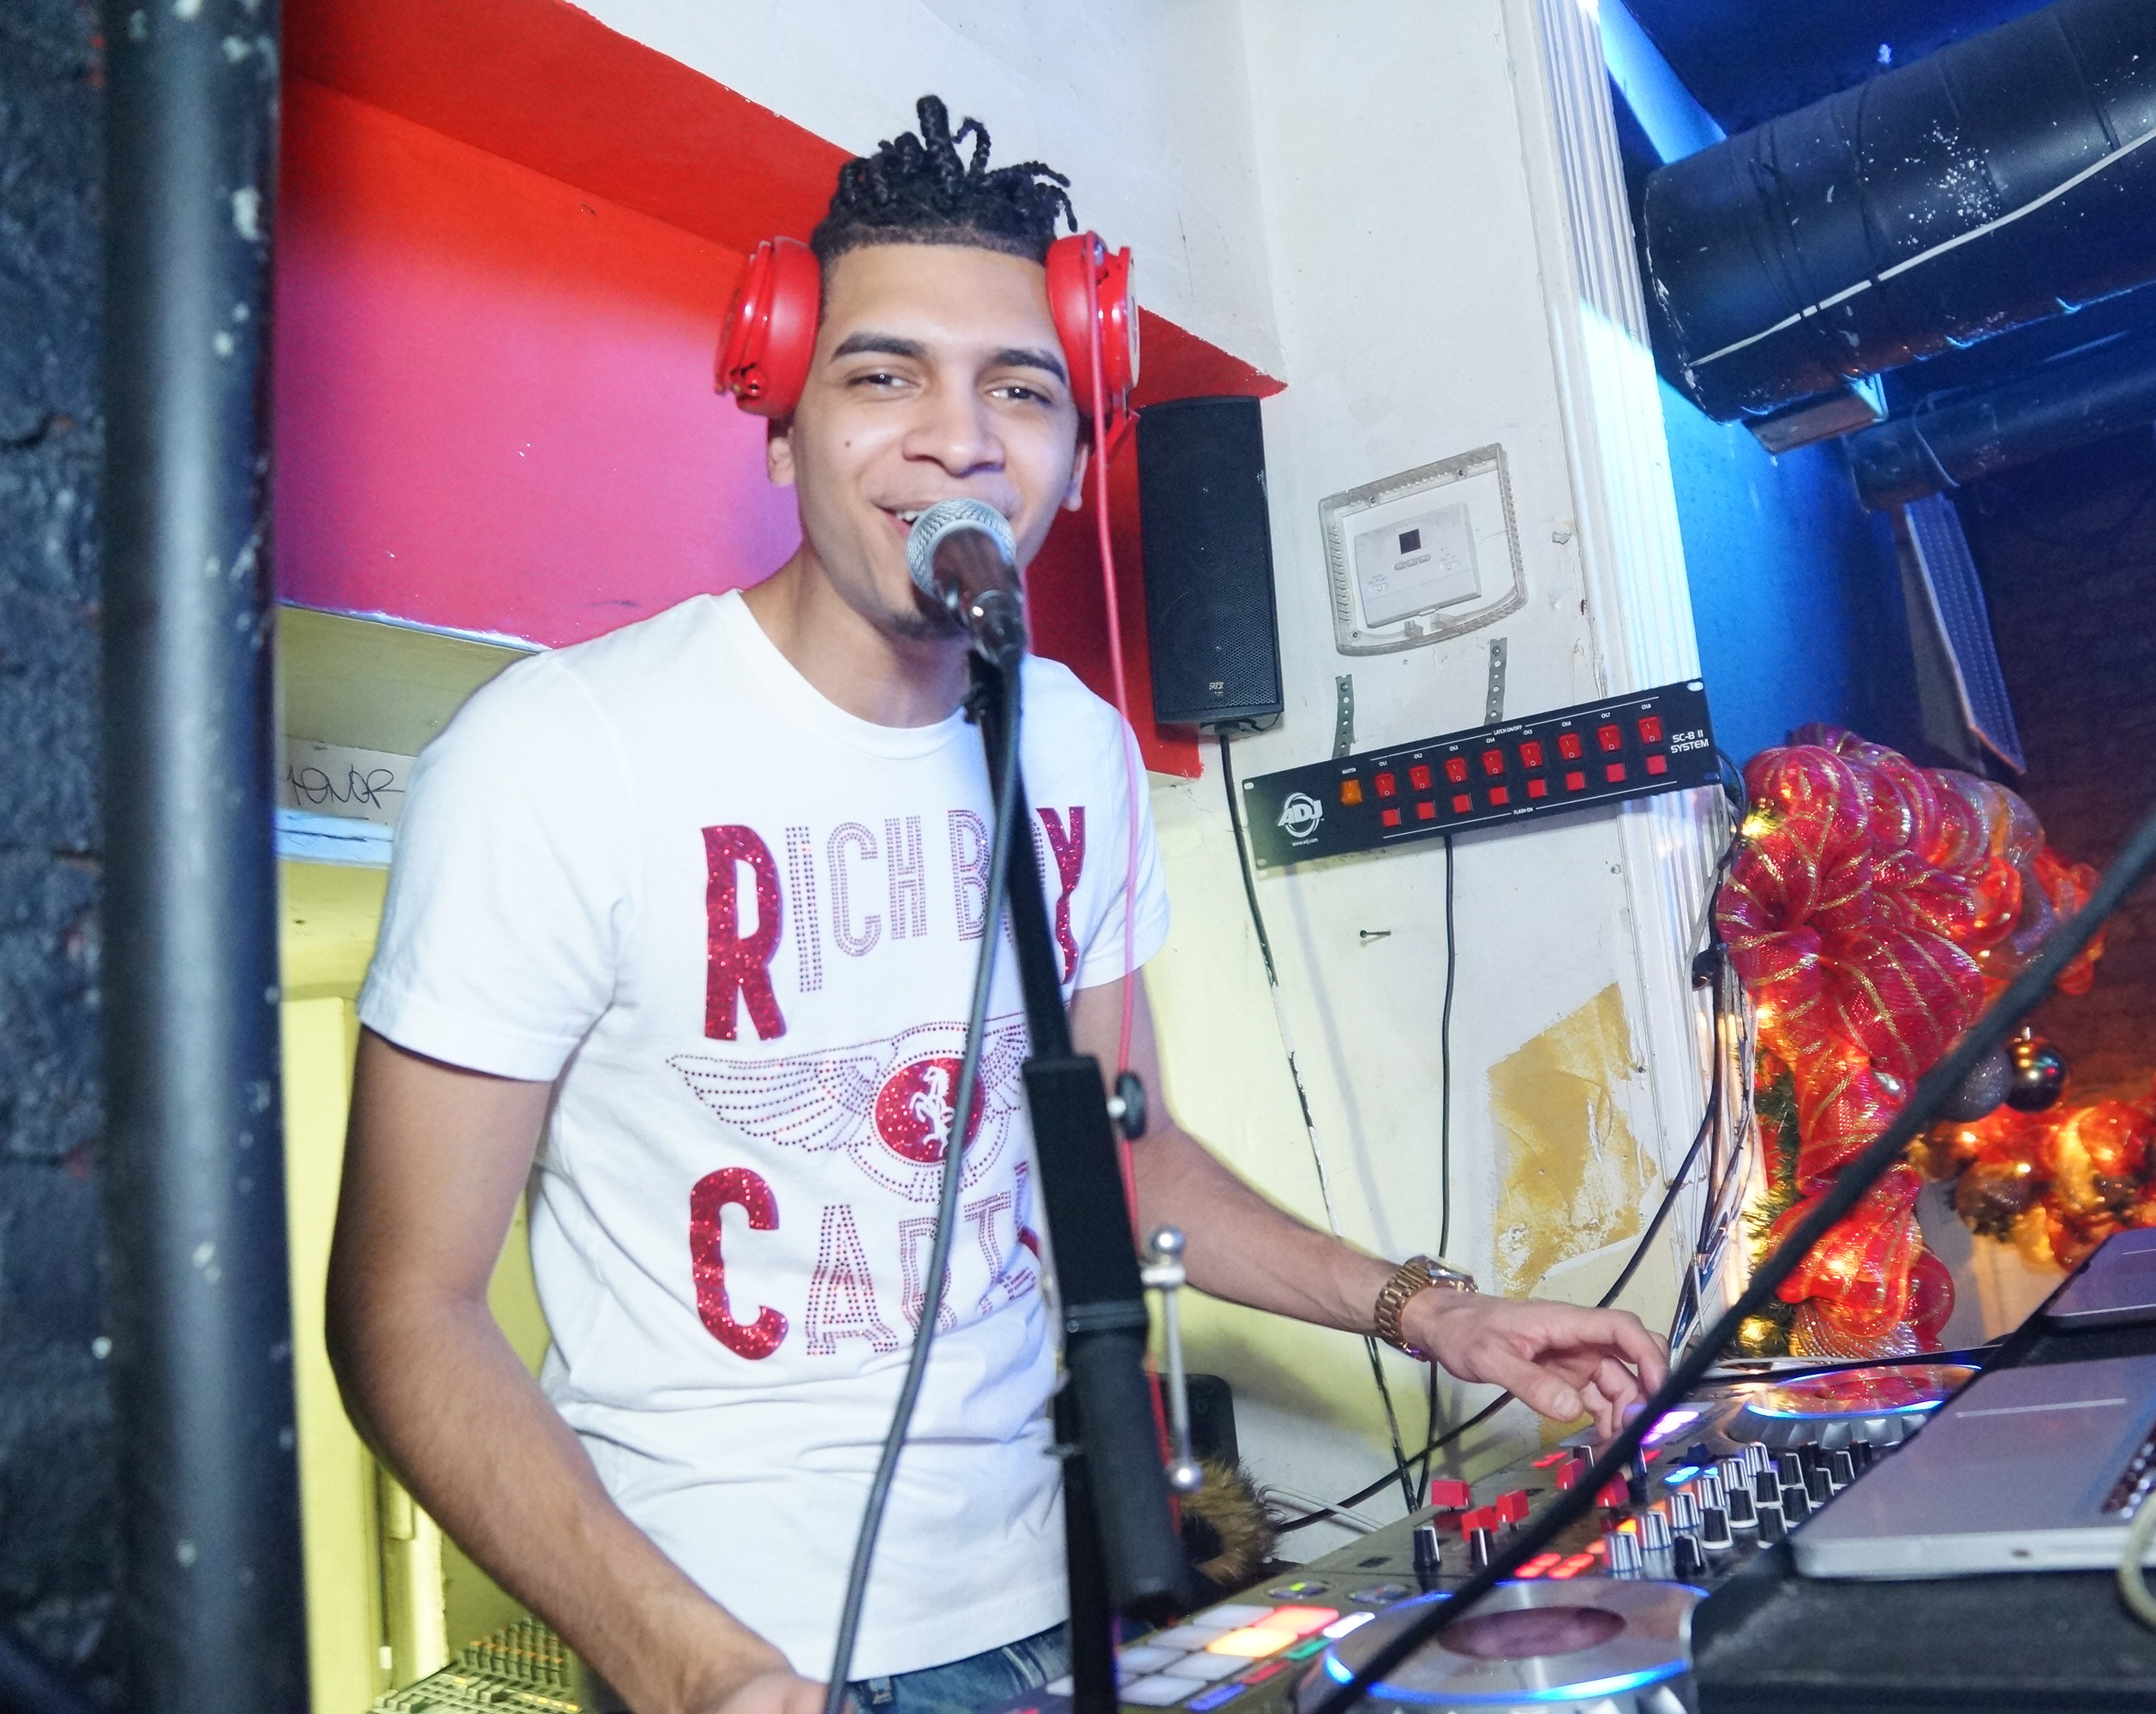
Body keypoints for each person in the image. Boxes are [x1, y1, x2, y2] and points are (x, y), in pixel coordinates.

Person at [326, 97, 1668, 1714]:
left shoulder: (1076, 747)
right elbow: (404, 1309)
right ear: (781, 423)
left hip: (1053, 1606)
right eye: (883, 375)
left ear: (1071, 450)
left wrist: (1428, 1313)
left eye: (1019, 389)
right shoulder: (558, 754)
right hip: (739, 1649)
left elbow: (1118, 1151)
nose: (958, 438)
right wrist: (696, 1671)